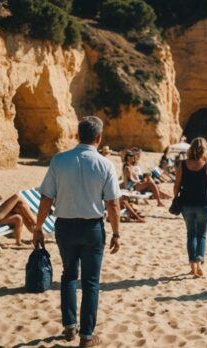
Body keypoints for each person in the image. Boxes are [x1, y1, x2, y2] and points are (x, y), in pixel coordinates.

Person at [33, 116, 121, 347]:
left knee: (69, 276)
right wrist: (117, 232)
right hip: (92, 228)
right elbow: (112, 204)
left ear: (77, 134)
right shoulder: (105, 164)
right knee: (91, 282)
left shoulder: (59, 160)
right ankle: (86, 336)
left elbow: (46, 197)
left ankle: (70, 327)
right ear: (99, 138)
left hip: (64, 227)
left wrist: (38, 227)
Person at [174, 138, 207, 277]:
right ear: (205, 150)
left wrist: (176, 198)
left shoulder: (182, 165)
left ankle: (193, 266)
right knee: (201, 235)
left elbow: (176, 186)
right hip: (204, 205)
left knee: (191, 235)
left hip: (187, 204)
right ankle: (199, 263)